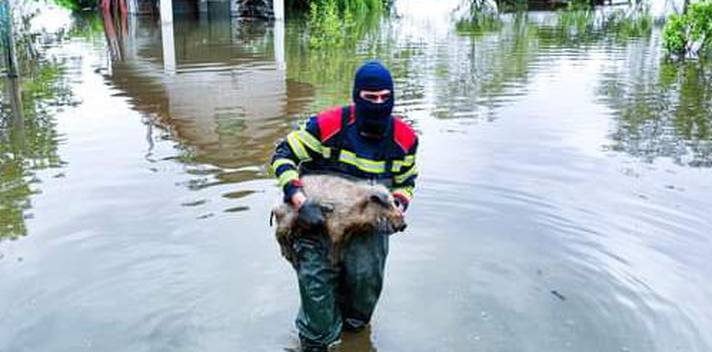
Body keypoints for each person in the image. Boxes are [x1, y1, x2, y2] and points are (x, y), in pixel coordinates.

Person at [270, 60, 419, 352]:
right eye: (370, 98)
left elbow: (407, 181)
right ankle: (317, 340)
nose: (378, 104)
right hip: (313, 222)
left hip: (368, 225)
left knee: (361, 306)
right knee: (318, 314)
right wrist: (300, 201)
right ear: (356, 97)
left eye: (384, 98)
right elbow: (282, 155)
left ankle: (354, 339)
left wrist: (397, 205)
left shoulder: (404, 138)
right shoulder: (327, 125)